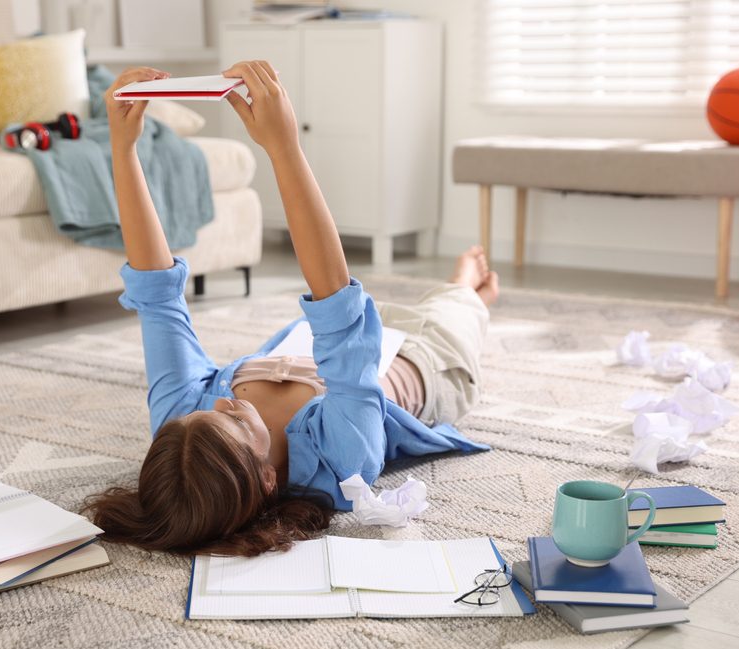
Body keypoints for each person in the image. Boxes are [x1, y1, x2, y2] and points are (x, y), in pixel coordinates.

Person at [84, 61, 499, 557]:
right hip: (426, 363)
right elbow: (337, 309)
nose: (217, 404)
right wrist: (284, 148)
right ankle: (467, 289)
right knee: (459, 303)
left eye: (190, 418)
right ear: (265, 478)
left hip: (319, 335)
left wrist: (122, 147)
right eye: (234, 422)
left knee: (382, 309)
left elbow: (156, 296)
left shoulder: (185, 426)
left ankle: (463, 294)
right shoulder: (342, 464)